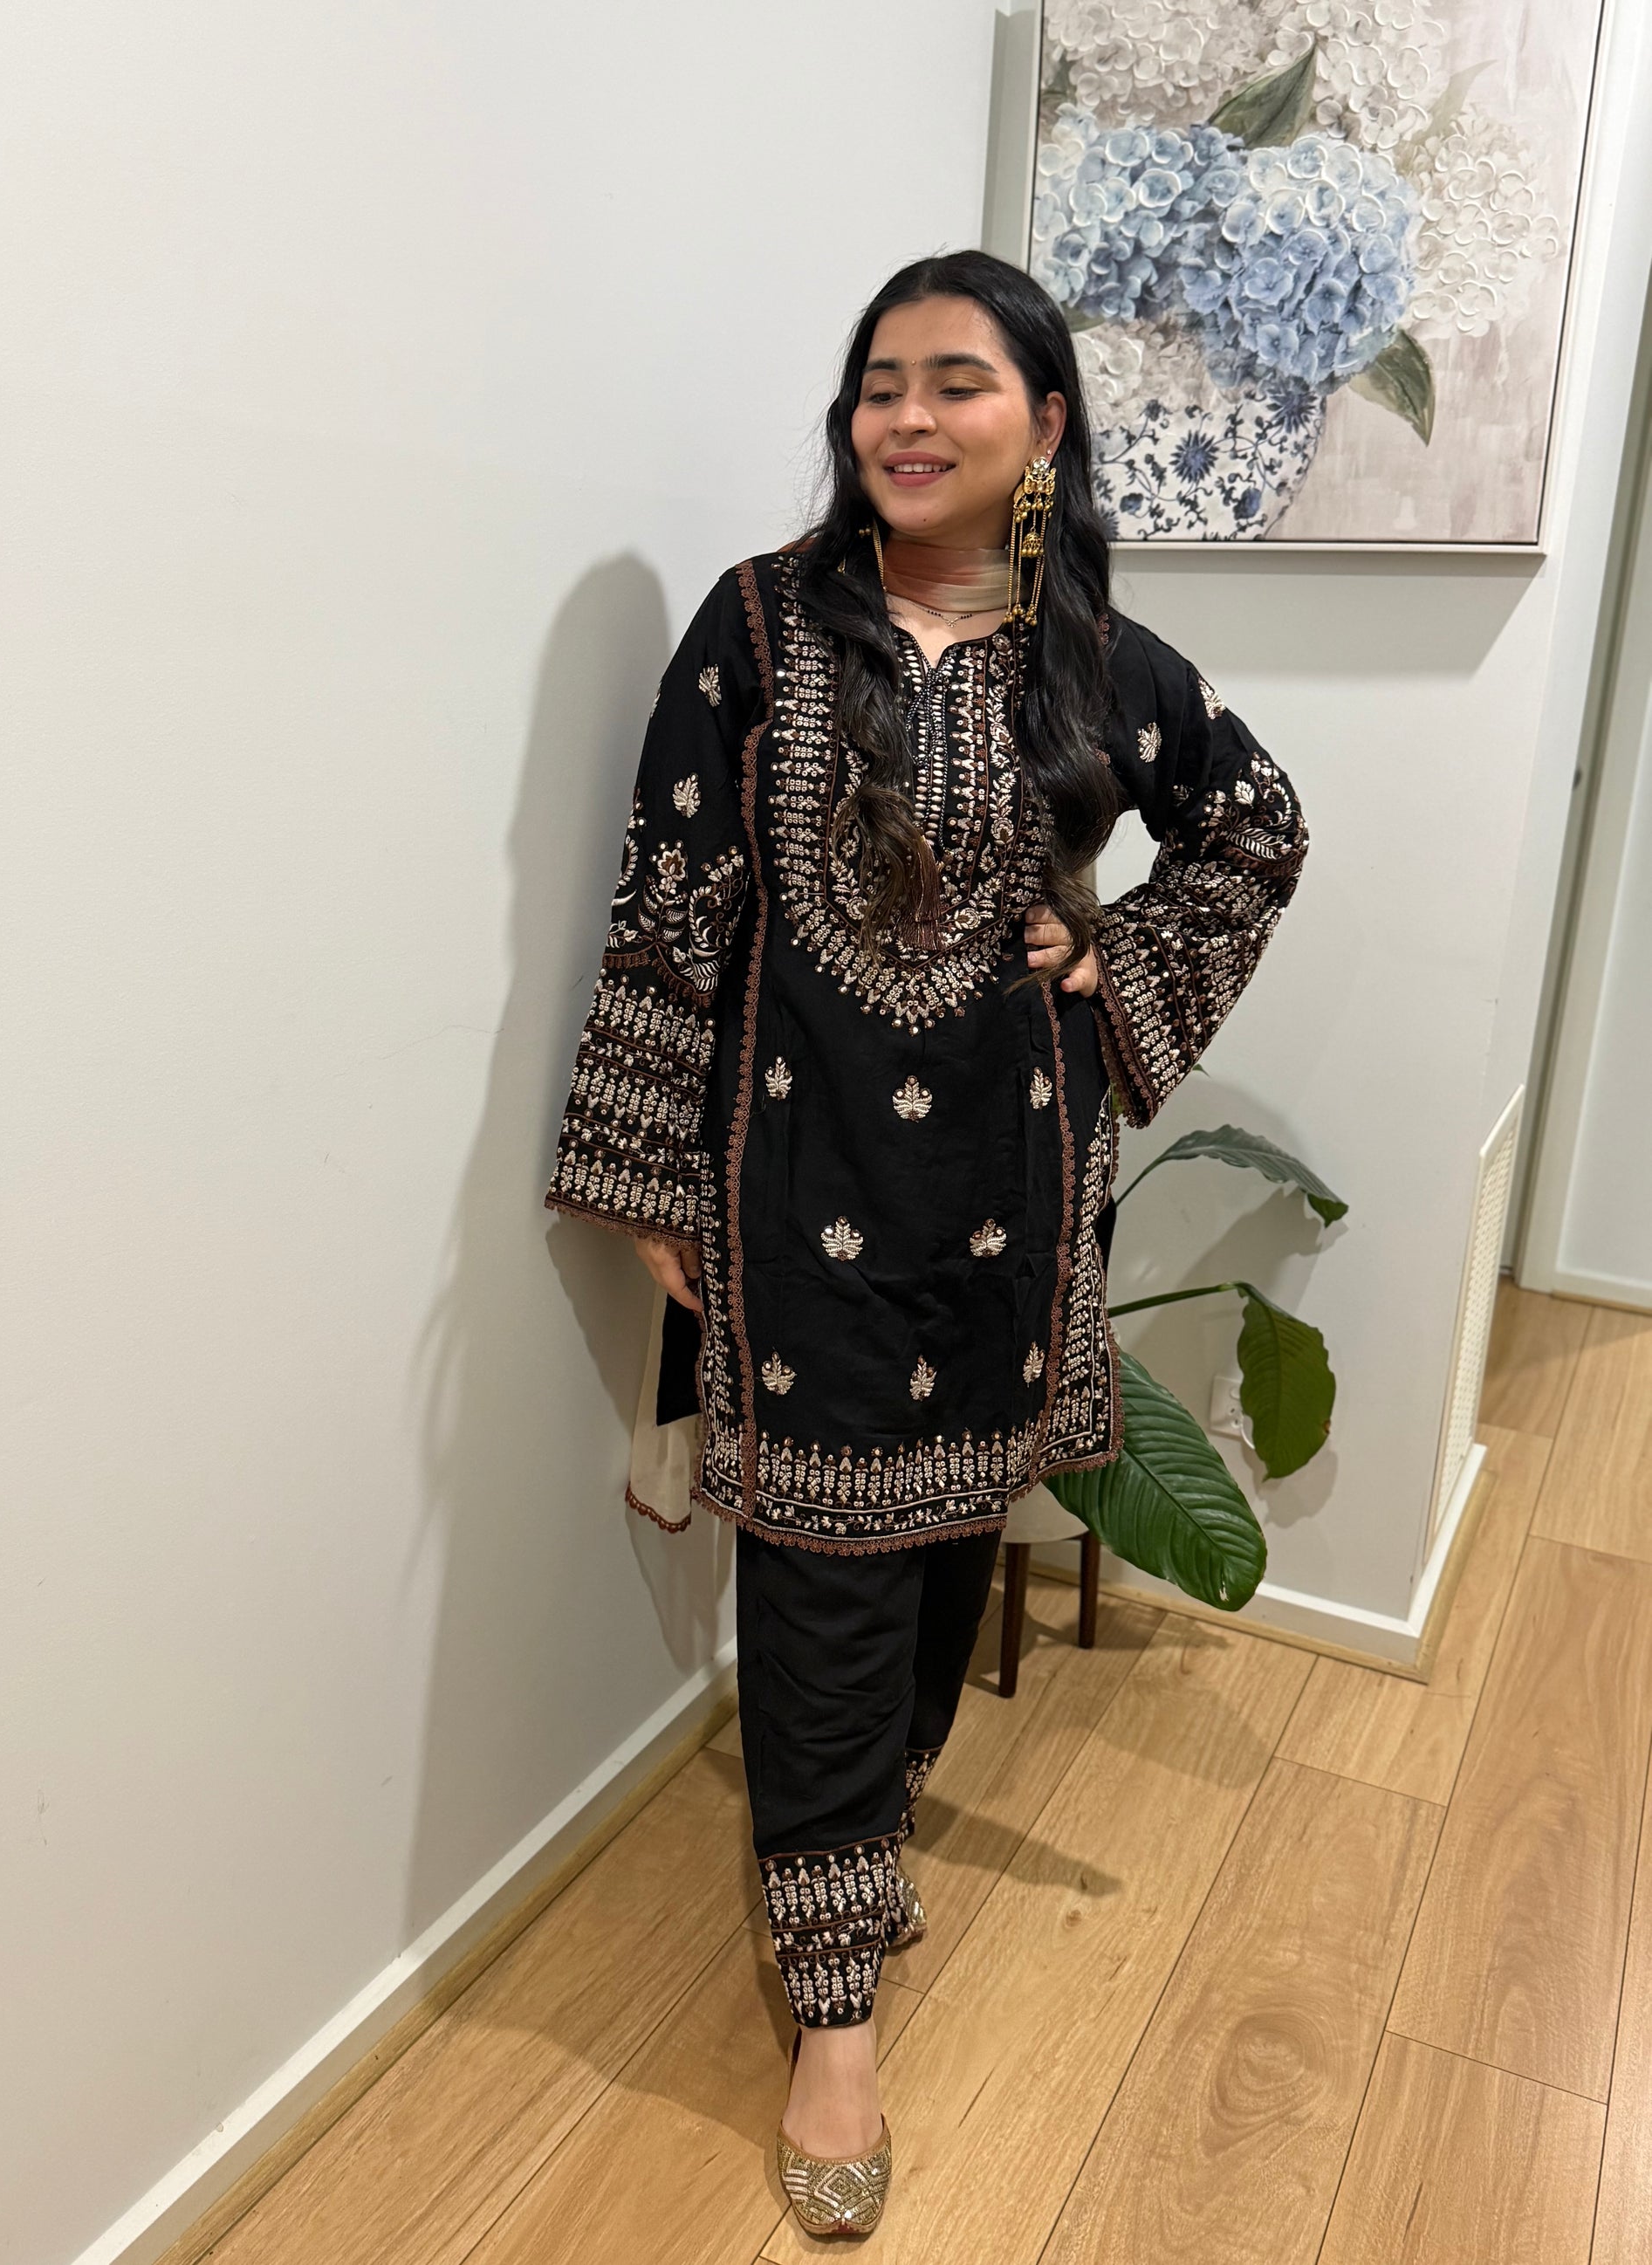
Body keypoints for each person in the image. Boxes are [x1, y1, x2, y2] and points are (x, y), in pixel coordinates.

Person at [545, 248, 1306, 2236]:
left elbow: (1256, 828)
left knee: (948, 1531)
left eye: (955, 381)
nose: (905, 414)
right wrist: (647, 1176)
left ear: (1042, 423)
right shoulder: (758, 628)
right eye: (879, 380)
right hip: (792, 1180)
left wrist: (1115, 957)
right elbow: (671, 894)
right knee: (816, 1570)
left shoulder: (1097, 663)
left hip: (1010, 1192)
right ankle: (832, 2013)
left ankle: (864, 1834)